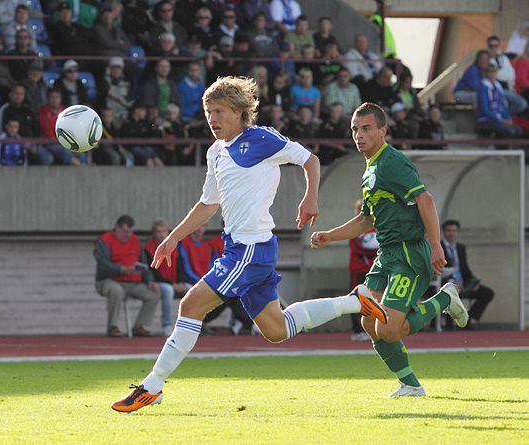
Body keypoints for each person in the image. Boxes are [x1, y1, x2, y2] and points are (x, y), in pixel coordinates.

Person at [111, 76, 388, 412]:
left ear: (241, 112)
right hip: (239, 249)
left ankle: (151, 387)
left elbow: (310, 160)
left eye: (220, 111)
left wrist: (309, 197)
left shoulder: (261, 138)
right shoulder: (215, 152)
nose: (212, 118)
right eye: (208, 111)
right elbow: (208, 205)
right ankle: (354, 301)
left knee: (190, 306)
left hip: (250, 249)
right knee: (276, 330)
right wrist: (172, 238)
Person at [310, 102, 470, 397]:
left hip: (409, 253)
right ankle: (410, 385)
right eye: (355, 129)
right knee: (369, 321)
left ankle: (443, 298)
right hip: (387, 254)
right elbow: (366, 220)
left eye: (367, 129)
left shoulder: (392, 162)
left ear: (383, 131)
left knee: (390, 329)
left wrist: (436, 244)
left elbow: (426, 200)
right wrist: (330, 236)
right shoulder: (370, 170)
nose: (359, 135)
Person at [94, 215, 161, 338]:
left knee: (154, 293)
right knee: (116, 290)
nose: (127, 235)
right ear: (117, 228)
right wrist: (122, 270)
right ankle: (113, 326)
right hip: (109, 280)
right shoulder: (104, 241)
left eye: (130, 232)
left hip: (132, 282)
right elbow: (103, 265)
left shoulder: (135, 240)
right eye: (125, 232)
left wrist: (150, 280)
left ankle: (140, 326)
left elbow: (144, 264)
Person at [441, 220, 495, 329]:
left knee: (487, 293)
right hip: (446, 284)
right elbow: (440, 270)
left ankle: (468, 317)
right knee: (447, 294)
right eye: (448, 231)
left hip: (462, 284)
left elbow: (465, 269)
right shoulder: (439, 247)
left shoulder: (460, 248)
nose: (451, 233)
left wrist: (473, 281)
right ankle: (448, 325)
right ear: (443, 232)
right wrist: (452, 281)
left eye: (454, 231)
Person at [144, 219, 189, 337]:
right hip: (159, 282)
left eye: (163, 231)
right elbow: (153, 271)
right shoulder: (149, 247)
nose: (161, 234)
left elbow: (179, 266)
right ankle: (167, 325)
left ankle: (190, 325)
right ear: (153, 233)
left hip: (174, 282)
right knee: (168, 290)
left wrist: (180, 282)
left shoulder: (174, 245)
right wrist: (172, 284)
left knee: (191, 289)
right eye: (158, 232)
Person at [348, 199, 378, 341]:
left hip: (375, 270)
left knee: (375, 298)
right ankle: (357, 330)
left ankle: (373, 328)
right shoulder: (355, 228)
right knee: (356, 298)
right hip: (359, 269)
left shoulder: (377, 228)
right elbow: (358, 246)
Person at [37, 88, 82, 166]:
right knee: (64, 151)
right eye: (52, 97)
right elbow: (49, 136)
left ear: (60, 99)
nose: (54, 100)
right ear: (47, 99)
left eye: (57, 97)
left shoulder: (65, 111)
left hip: (65, 143)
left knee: (82, 153)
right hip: (50, 144)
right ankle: (82, 169)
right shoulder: (43, 113)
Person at [96, 56, 134, 128]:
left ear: (122, 69)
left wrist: (118, 98)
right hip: (108, 117)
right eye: (113, 68)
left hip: (123, 116)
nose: (116, 70)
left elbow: (130, 102)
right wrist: (107, 76)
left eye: (118, 68)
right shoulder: (103, 81)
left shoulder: (127, 83)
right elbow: (106, 91)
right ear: (109, 69)